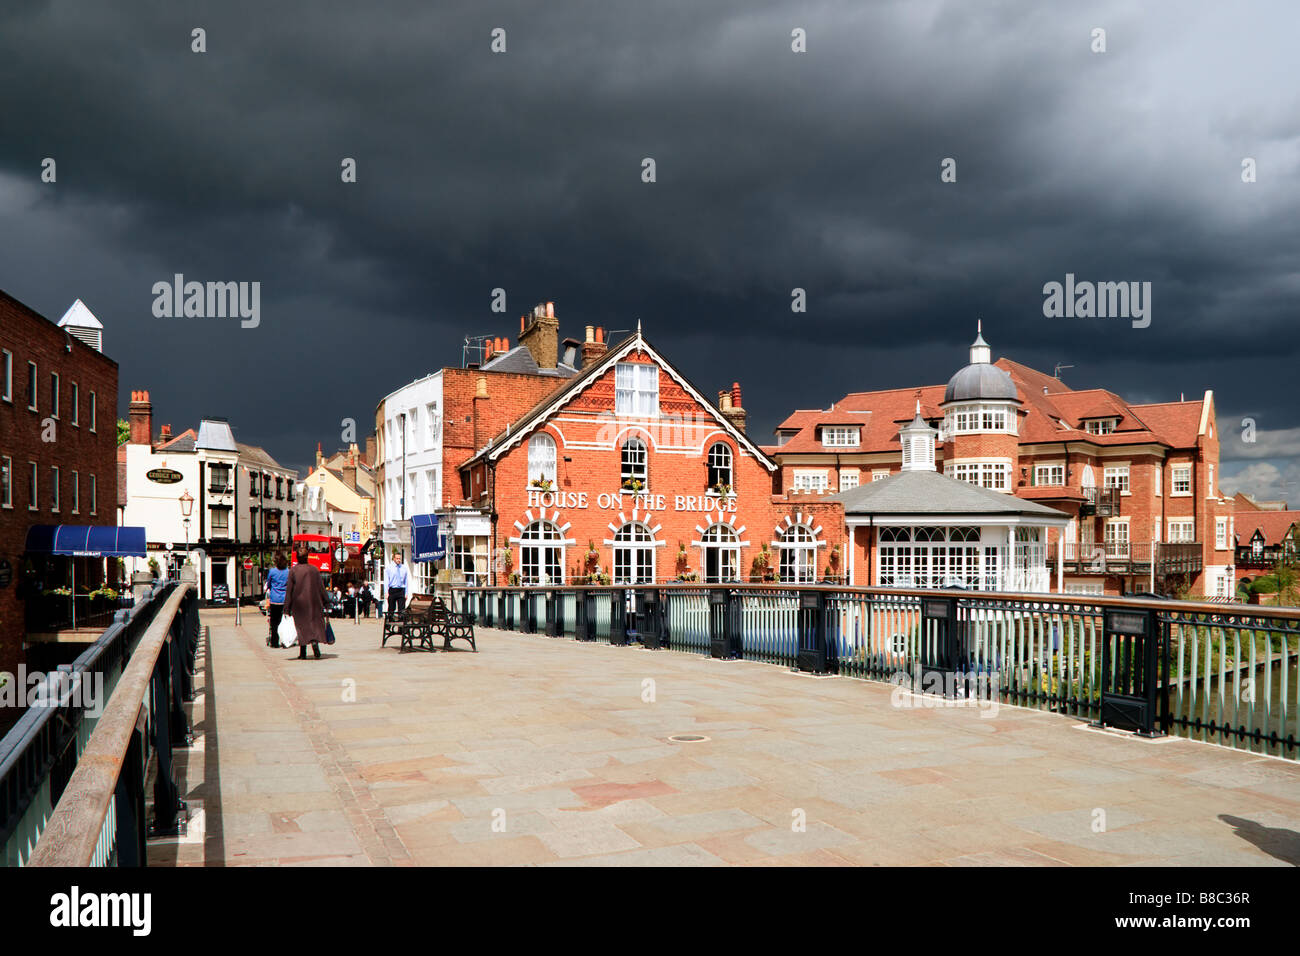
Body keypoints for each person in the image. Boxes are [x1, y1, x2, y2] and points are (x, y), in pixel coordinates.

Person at [284, 548, 328, 659]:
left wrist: (286, 608)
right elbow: (321, 587)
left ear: (297, 558)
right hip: (314, 601)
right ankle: (314, 643)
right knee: (313, 624)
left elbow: (289, 591)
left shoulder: (293, 571)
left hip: (299, 603)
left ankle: (302, 653)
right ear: (307, 557)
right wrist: (326, 600)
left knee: (301, 627)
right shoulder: (314, 570)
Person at [264, 552, 289, 648]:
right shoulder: (288, 571)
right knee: (284, 621)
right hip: (285, 599)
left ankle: (274, 642)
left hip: (274, 599)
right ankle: (285, 641)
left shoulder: (272, 571)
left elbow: (269, 584)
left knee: (274, 622)